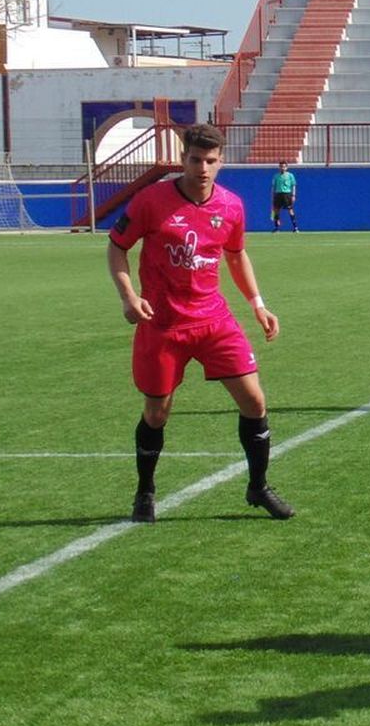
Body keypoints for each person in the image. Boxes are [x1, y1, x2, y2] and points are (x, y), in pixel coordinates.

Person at [107, 123, 293, 523]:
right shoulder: (151, 201)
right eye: (195, 160)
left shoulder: (231, 206)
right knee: (156, 413)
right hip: (163, 324)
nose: (202, 168)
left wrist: (258, 304)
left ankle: (258, 486)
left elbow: (236, 255)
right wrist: (129, 296)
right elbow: (117, 247)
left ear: (221, 161)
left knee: (255, 401)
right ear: (183, 159)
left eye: (210, 161)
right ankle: (145, 492)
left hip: (213, 320)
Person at [269, 161, 298, 232]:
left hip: (287, 194)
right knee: (276, 211)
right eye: (281, 166)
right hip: (278, 194)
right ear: (279, 167)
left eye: (284, 167)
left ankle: (295, 227)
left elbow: (293, 185)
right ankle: (277, 228)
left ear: (286, 167)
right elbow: (273, 187)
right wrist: (272, 196)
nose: (282, 168)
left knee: (290, 210)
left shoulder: (290, 175)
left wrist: (293, 195)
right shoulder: (276, 176)